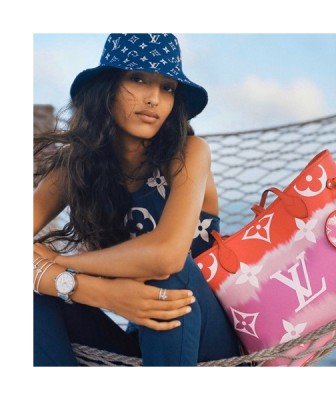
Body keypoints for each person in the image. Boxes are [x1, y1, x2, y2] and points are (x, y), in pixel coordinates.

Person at [33, 33, 241, 366]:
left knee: (169, 276)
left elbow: (166, 257)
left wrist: (60, 264)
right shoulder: (74, 167)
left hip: (209, 338)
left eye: (167, 88)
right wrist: (94, 291)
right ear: (107, 87)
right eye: (138, 79)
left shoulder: (188, 154)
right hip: (140, 338)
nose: (154, 99)